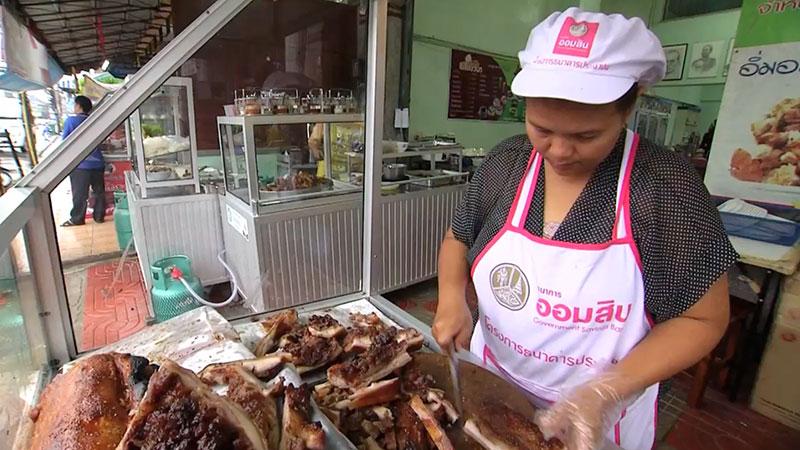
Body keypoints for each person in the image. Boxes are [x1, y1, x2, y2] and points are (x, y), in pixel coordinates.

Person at [432, 8, 736, 450]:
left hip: (598, 420)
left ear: (630, 107)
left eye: (586, 136)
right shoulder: (504, 164)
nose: (558, 151)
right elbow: (457, 238)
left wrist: (606, 391)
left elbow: (704, 318)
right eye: (542, 129)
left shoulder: (665, 186)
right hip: (490, 387)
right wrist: (451, 297)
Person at [61, 95, 106, 226]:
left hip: (80, 164)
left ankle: (77, 218)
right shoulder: (95, 121)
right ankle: (99, 216)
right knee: (99, 192)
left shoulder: (71, 121)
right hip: (98, 163)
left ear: (79, 106)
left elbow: (65, 142)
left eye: (75, 104)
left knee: (80, 194)